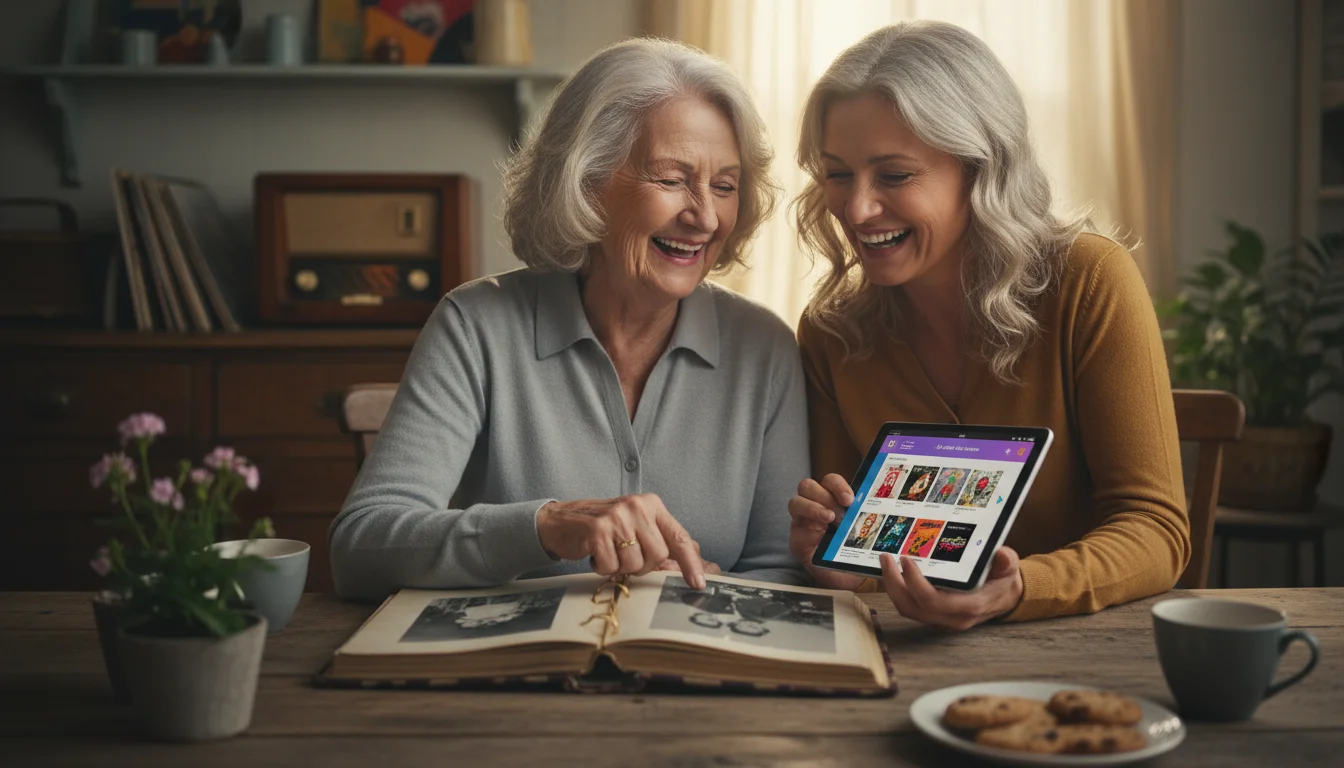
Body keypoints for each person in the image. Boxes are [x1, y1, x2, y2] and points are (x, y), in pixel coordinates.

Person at [329, 38, 808, 601]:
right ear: (586, 182)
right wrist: (548, 526)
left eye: (725, 187)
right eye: (672, 179)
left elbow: (781, 568)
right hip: (504, 674)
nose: (704, 216)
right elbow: (359, 549)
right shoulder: (475, 325)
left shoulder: (765, 347)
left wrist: (707, 590)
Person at [786, 21, 1189, 629]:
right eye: (838, 173)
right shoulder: (830, 333)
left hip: (1087, 651)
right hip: (910, 658)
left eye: (894, 175)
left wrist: (1017, 588)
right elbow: (872, 559)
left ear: (982, 171)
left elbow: (1156, 529)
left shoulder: (1089, 281)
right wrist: (843, 565)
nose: (857, 208)